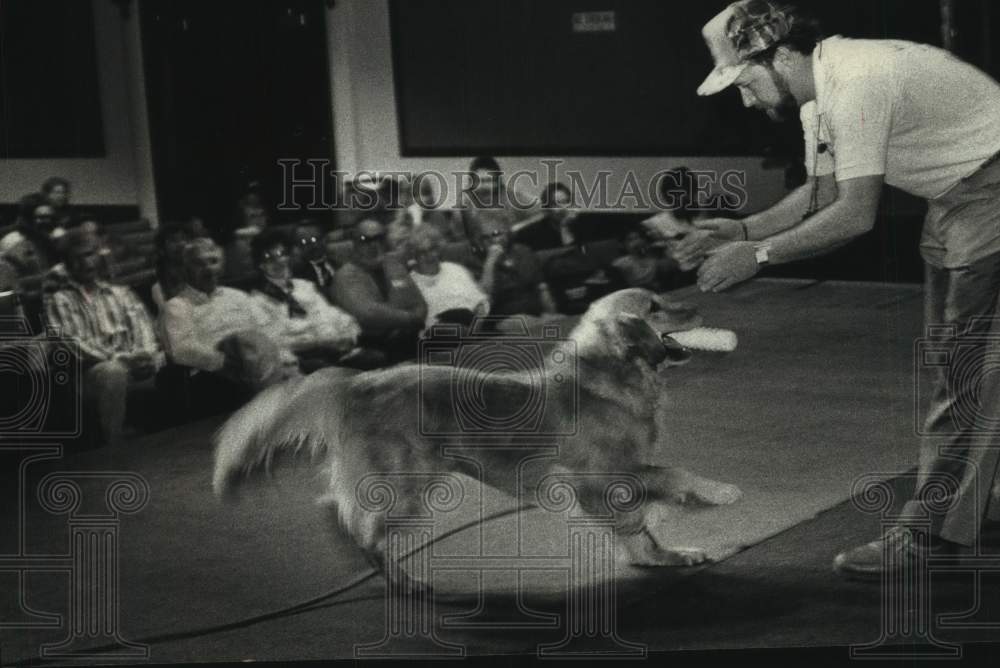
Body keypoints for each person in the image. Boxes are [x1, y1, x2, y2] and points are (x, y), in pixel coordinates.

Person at [660, 0, 1000, 579]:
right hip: (955, 198)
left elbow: (855, 215)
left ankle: (930, 537)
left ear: (778, 55)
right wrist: (743, 229)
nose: (745, 99)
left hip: (989, 191)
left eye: (744, 82)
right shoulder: (818, 92)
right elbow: (819, 195)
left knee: (966, 371)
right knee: (956, 362)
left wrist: (759, 256)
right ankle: (975, 499)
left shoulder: (858, 82)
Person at [44, 227, 164, 447]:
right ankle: (113, 444)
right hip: (90, 372)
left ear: (98, 257)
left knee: (166, 359)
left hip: (132, 361)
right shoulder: (60, 299)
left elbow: (143, 327)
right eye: (76, 258)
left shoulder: (121, 292)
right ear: (67, 264)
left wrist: (146, 354)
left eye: (89, 255)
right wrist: (118, 359)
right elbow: (72, 343)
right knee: (113, 372)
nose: (85, 263)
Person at [161, 238, 299, 394]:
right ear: (185, 270)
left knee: (259, 342)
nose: (208, 269)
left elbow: (267, 329)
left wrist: (282, 356)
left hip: (259, 361)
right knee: (244, 341)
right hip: (218, 373)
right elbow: (181, 350)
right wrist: (225, 362)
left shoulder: (237, 296)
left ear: (221, 267)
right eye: (198, 264)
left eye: (213, 262)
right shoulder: (176, 306)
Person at [248, 228, 368, 372]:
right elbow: (277, 343)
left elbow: (333, 315)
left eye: (282, 254)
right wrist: (319, 342)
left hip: (333, 350)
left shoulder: (304, 286)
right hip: (302, 362)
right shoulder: (257, 301)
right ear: (260, 265)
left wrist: (348, 334)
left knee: (372, 358)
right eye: (269, 258)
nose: (279, 261)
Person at [331, 219, 427, 362]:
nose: (374, 245)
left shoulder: (394, 266)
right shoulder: (344, 275)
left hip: (409, 339)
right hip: (372, 349)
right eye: (365, 240)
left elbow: (420, 304)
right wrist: (411, 319)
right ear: (355, 244)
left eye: (379, 238)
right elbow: (367, 314)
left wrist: (412, 319)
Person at [466, 209, 558, 319]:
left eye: (496, 234)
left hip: (538, 314)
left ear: (507, 232)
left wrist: (552, 313)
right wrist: (490, 262)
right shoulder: (475, 263)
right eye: (485, 237)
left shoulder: (523, 252)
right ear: (478, 240)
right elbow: (483, 297)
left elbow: (542, 288)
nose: (491, 240)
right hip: (505, 320)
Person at [407, 225, 490, 330]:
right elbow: (423, 324)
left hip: (476, 324)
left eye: (432, 249)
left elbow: (480, 300)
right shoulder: (411, 283)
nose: (429, 256)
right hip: (446, 334)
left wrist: (479, 320)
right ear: (414, 256)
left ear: (438, 249)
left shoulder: (454, 269)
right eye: (422, 252)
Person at [512, 182, 580, 252]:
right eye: (556, 204)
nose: (563, 208)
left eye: (566, 202)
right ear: (547, 210)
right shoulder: (534, 233)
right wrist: (564, 227)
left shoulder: (582, 225)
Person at [291, 221, 337, 294]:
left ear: (325, 239)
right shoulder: (298, 275)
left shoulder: (340, 261)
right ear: (297, 246)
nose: (311, 245)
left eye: (315, 239)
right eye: (304, 242)